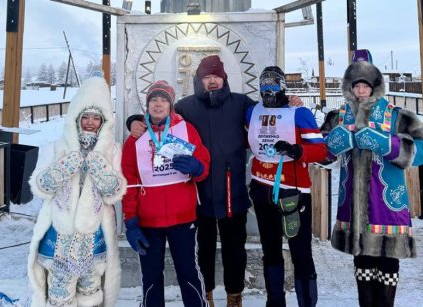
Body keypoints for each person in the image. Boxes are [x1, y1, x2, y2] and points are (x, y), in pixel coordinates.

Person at [126, 56, 303, 307]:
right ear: (199, 79)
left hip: (233, 193)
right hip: (199, 194)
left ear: (224, 78)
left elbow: (267, 113)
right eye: (207, 77)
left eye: (216, 76)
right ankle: (206, 296)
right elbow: (159, 115)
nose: (211, 81)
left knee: (235, 250)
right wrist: (133, 120)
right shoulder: (186, 106)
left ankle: (234, 297)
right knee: (204, 251)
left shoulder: (241, 103)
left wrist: (289, 103)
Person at [321, 60, 423, 307]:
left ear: (376, 87)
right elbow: (321, 156)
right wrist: (332, 145)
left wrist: (389, 145)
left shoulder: (397, 116)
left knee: (388, 266)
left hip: (387, 207)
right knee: (362, 266)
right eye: (356, 85)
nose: (361, 90)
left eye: (366, 85)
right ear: (349, 87)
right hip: (352, 210)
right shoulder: (337, 117)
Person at [27, 77, 126, 306]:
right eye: (85, 116)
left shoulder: (113, 150)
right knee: (60, 292)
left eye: (96, 117)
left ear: (104, 121)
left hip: (95, 233)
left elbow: (114, 193)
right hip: (60, 233)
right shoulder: (56, 146)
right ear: (76, 118)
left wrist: (100, 168)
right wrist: (64, 166)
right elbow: (41, 186)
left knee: (91, 290)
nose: (90, 122)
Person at [121, 80, 211, 307]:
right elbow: (129, 182)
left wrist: (197, 167)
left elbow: (204, 162)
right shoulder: (135, 137)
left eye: (163, 100)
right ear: (147, 104)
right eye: (153, 100)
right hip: (148, 223)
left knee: (188, 274)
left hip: (183, 220)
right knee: (151, 279)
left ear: (171, 105)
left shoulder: (185, 129)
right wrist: (131, 223)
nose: (158, 105)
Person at [245, 66, 327, 307]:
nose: (268, 89)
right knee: (270, 251)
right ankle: (275, 302)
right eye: (264, 83)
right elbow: (248, 139)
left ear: (282, 85)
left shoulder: (298, 112)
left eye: (273, 83)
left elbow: (321, 150)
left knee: (300, 253)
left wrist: (297, 150)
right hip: (262, 190)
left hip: (293, 191)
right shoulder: (252, 112)